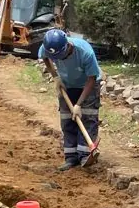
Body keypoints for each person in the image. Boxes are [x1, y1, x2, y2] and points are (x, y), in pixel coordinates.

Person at [37, 28, 101, 170]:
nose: (59, 59)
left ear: (67, 46)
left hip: (88, 84)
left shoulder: (84, 52)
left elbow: (92, 78)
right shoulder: (48, 47)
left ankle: (85, 155)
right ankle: (71, 157)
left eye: (61, 55)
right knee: (67, 119)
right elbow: (44, 57)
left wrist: (78, 104)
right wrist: (55, 76)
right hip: (67, 84)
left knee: (88, 117)